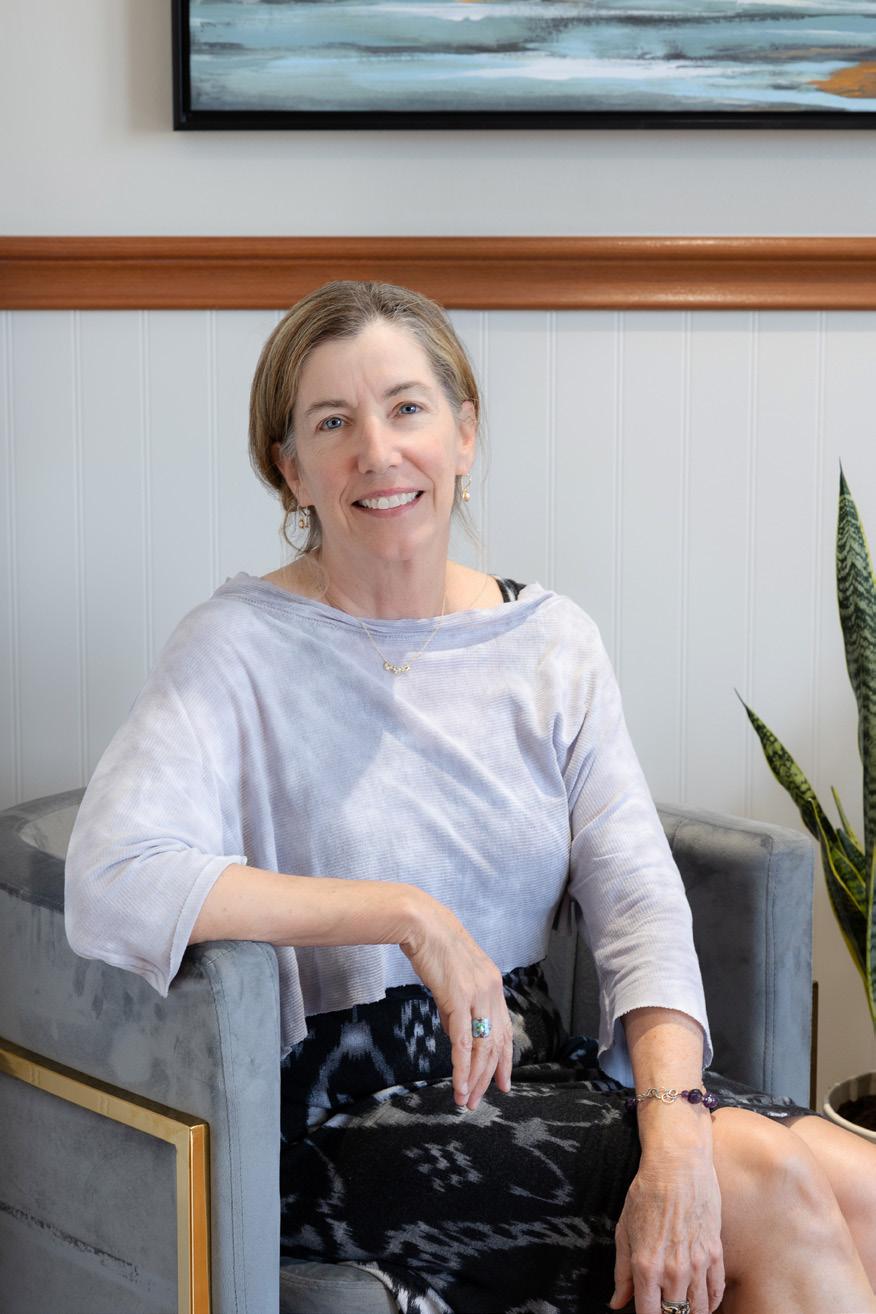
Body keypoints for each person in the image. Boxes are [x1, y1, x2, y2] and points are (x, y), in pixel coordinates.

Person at [65, 279, 876, 1314]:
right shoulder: (234, 648)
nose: (378, 451)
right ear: (290, 468)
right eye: (333, 422)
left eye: (406, 408)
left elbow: (639, 905)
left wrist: (675, 1133)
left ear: (464, 433)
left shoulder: (551, 642)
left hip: (534, 1066)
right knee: (770, 1186)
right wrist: (406, 913)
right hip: (342, 1116)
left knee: (860, 1190)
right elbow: (112, 877)